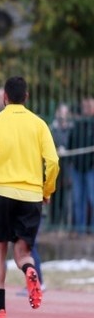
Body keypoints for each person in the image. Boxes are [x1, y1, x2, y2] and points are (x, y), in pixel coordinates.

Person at [0, 76, 59, 318]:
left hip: (0, 192)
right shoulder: (39, 124)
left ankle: (0, 312)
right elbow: (53, 162)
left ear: (4, 98)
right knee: (23, 252)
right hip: (31, 195)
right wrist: (47, 190)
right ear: (27, 97)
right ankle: (30, 270)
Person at [66, 97, 94, 234]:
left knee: (92, 198)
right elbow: (71, 143)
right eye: (84, 105)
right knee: (78, 200)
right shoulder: (77, 124)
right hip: (77, 167)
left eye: (89, 105)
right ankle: (80, 229)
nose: (86, 108)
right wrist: (71, 163)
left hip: (91, 168)